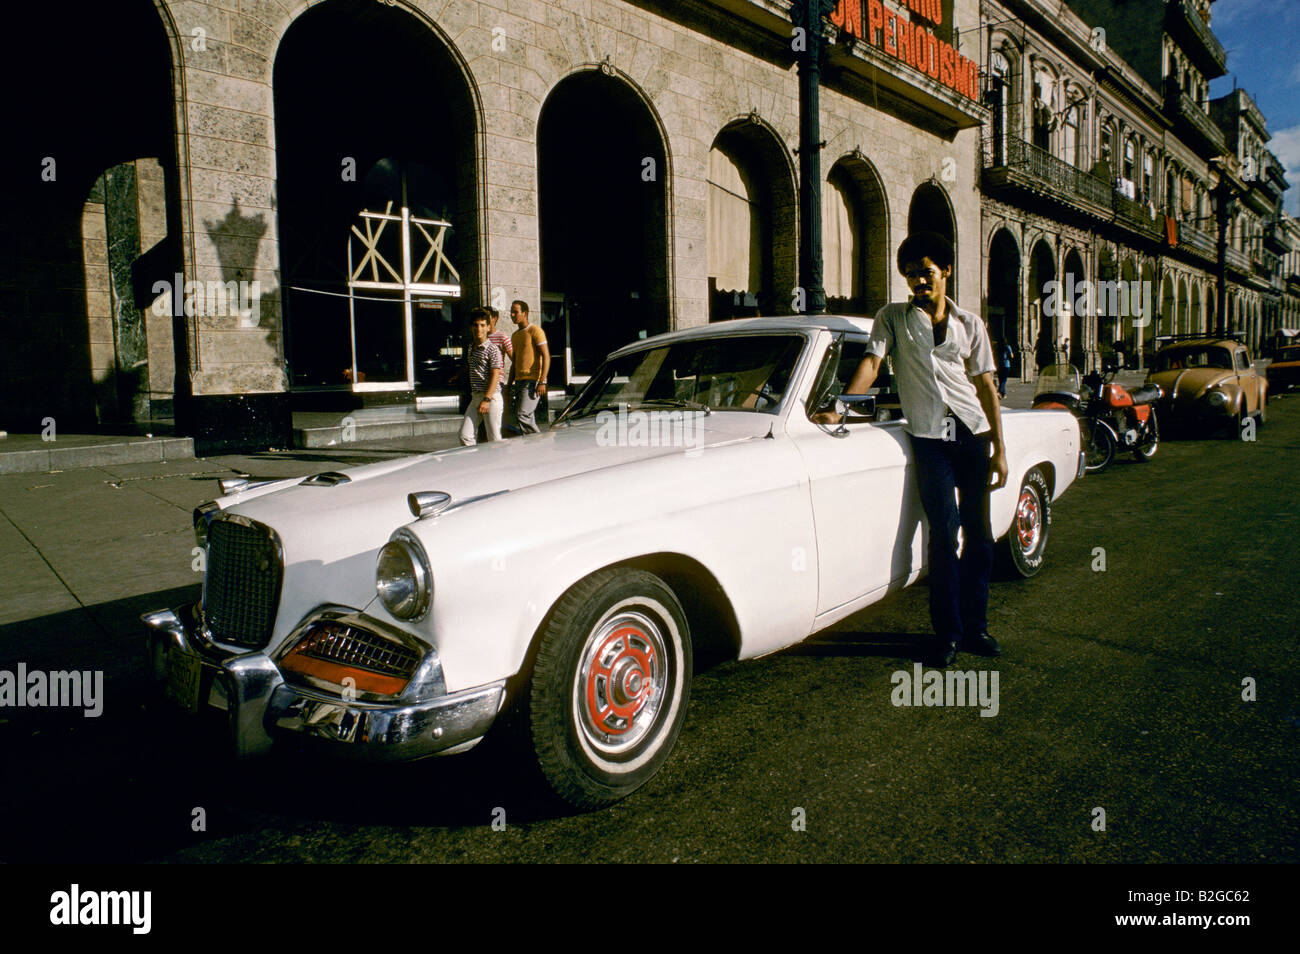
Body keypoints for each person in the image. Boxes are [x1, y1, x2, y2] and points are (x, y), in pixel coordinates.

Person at [835, 232, 1008, 668]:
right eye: (911, 275)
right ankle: (947, 633)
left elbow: (986, 387)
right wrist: (840, 408)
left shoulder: (971, 324)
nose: (918, 282)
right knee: (944, 535)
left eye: (926, 273)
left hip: (972, 433)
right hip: (931, 439)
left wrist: (1000, 450)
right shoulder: (892, 318)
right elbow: (872, 364)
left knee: (980, 536)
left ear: (946, 271)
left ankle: (977, 628)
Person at [459, 308, 503, 446]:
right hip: (476, 396)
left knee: (494, 438)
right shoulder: (471, 348)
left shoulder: (493, 349)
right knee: (465, 435)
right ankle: (474, 463)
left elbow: (496, 375)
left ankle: (500, 466)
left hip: (491, 397)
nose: (479, 329)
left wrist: (487, 399)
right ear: (471, 327)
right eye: (476, 325)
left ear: (489, 327)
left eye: (483, 325)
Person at [508, 299, 549, 434]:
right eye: (511, 312)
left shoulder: (535, 331)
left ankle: (539, 442)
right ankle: (533, 447)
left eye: (515, 312)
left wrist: (542, 381)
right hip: (519, 381)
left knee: (523, 415)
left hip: (532, 382)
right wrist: (509, 385)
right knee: (526, 416)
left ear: (525, 313)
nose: (512, 315)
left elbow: (546, 356)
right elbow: (515, 362)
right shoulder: (515, 335)